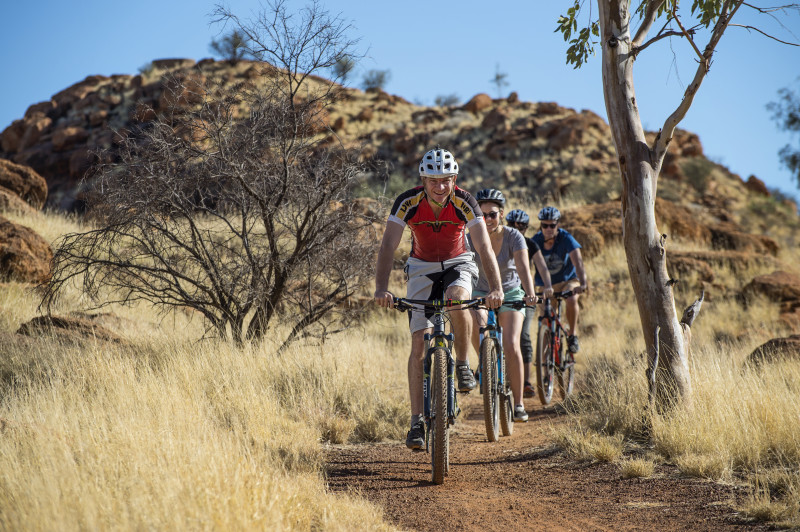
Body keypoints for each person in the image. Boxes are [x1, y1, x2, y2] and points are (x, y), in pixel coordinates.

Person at [374, 148, 503, 450]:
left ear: (454, 179)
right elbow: (388, 246)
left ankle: (462, 363)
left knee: (456, 299)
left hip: (459, 261)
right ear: (423, 180)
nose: (440, 186)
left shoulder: (465, 201)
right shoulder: (407, 202)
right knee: (419, 342)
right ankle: (416, 421)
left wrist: (496, 288)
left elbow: (484, 247)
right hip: (421, 267)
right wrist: (381, 288)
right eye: (433, 180)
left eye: (446, 180)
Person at [467, 189, 538, 422]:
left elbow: (523, 267)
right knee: (473, 321)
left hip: (511, 293)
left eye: (492, 214)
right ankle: (485, 362)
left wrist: (530, 293)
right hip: (481, 291)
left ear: (502, 214)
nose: (487, 219)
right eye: (482, 215)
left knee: (511, 344)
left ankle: (518, 404)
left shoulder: (514, 236)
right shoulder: (469, 237)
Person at [505, 209, 553, 398]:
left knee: (523, 335)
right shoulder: (500, 241)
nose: (517, 229)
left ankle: (525, 381)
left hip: (526, 298)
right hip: (504, 295)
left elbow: (542, 267)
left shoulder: (530, 244)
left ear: (526, 228)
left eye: (521, 226)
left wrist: (547, 286)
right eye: (512, 225)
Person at [531, 206, 588, 356]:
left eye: (552, 225)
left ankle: (572, 335)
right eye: (545, 225)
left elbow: (578, 262)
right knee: (545, 320)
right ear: (540, 225)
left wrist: (583, 283)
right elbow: (525, 265)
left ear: (558, 225)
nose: (548, 229)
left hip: (568, 280)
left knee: (571, 298)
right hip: (545, 285)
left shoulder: (566, 238)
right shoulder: (535, 240)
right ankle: (544, 362)